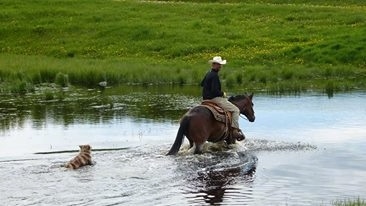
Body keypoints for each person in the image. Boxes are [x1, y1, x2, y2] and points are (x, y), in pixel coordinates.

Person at [200, 56, 244, 139]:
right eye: (219, 65)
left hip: (205, 99)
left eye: (220, 65)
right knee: (236, 110)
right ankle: (235, 130)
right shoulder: (214, 76)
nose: (220, 66)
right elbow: (214, 91)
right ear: (214, 65)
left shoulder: (208, 73)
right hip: (214, 99)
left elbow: (202, 84)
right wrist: (222, 93)